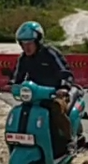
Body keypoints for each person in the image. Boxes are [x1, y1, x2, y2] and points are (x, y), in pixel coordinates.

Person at [11, 21, 80, 150]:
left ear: (38, 42)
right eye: (23, 44)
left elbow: (64, 72)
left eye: (30, 43)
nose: (27, 47)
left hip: (55, 94)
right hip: (35, 96)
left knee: (56, 109)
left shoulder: (50, 53)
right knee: (22, 111)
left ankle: (69, 140)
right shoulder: (23, 59)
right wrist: (13, 85)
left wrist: (63, 87)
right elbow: (17, 78)